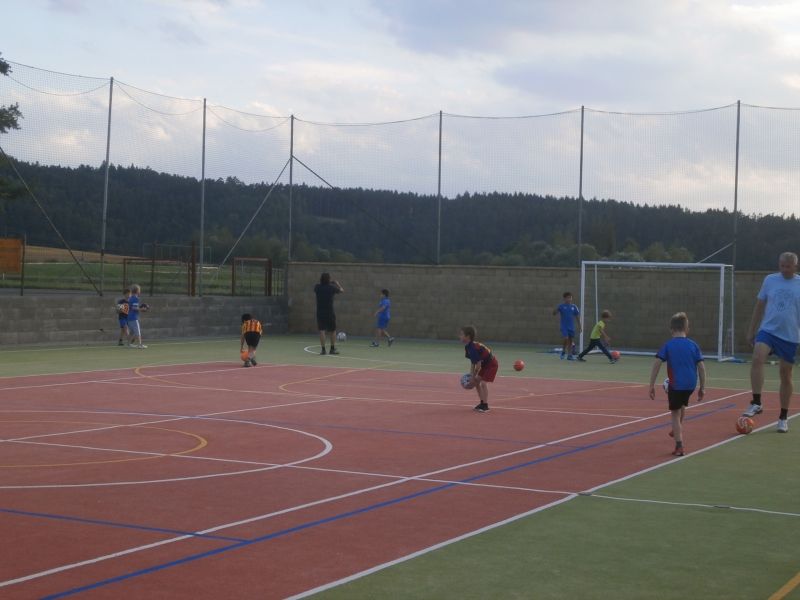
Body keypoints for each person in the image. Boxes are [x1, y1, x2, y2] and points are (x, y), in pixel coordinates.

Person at [742, 252, 800, 433]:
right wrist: (751, 330)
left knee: (785, 374)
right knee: (757, 357)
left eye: (788, 266)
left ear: (795, 266)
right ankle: (756, 402)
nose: (784, 269)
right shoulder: (770, 280)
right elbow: (759, 306)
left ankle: (783, 417)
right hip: (768, 330)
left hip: (789, 335)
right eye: (782, 266)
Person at [648, 312, 706, 456]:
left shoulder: (668, 345)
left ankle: (679, 445)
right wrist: (702, 387)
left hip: (676, 385)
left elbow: (657, 363)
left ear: (671, 330)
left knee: (675, 413)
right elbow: (701, 367)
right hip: (691, 385)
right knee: (681, 405)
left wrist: (651, 385)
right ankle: (677, 428)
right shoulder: (693, 345)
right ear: (687, 329)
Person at [460, 325, 499, 413]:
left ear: (468, 336)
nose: (460, 336)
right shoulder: (468, 347)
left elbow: (478, 366)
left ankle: (485, 406)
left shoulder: (473, 348)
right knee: (476, 382)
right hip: (485, 365)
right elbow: (473, 362)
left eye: (462, 334)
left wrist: (473, 376)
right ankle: (482, 403)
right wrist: (471, 376)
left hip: (492, 364)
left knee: (483, 383)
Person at [314, 272, 344, 355]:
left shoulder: (317, 287)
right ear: (329, 279)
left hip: (320, 312)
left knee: (322, 330)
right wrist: (337, 283)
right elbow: (342, 290)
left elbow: (321, 284)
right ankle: (332, 349)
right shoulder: (332, 288)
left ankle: (323, 350)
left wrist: (328, 282)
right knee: (333, 330)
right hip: (329, 312)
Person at [553, 291, 581, 360]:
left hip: (571, 327)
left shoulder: (574, 307)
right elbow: (554, 313)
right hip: (564, 326)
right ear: (564, 299)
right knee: (566, 338)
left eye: (570, 297)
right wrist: (555, 311)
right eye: (567, 298)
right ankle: (563, 351)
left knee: (570, 341)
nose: (569, 299)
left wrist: (580, 326)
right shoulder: (561, 306)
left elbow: (577, 317)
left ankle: (569, 355)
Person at [126, 284, 149, 349]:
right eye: (139, 290)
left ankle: (129, 344)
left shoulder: (130, 298)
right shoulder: (136, 298)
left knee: (131, 332)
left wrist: (139, 308)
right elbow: (134, 308)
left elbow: (132, 307)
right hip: (133, 318)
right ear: (137, 291)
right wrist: (142, 309)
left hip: (129, 318)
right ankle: (140, 344)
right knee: (137, 331)